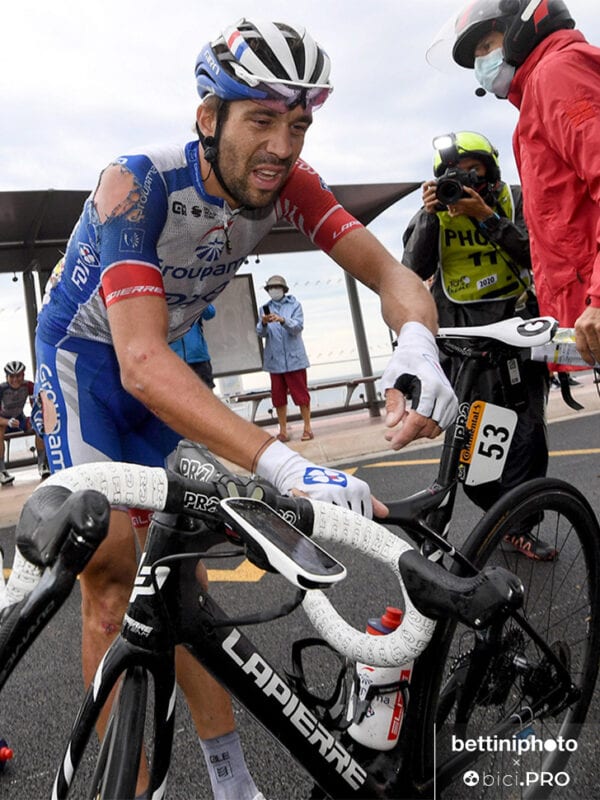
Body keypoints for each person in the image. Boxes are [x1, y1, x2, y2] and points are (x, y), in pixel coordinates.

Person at [34, 18, 458, 800]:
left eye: (298, 123)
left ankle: (231, 778)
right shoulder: (135, 181)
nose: (283, 145)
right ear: (209, 118)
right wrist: (287, 463)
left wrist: (417, 348)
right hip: (86, 368)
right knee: (111, 582)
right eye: (261, 118)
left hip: (154, 379)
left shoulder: (291, 183)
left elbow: (393, 275)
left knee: (182, 590)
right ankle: (134, 787)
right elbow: (138, 360)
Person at [402, 131, 554, 560]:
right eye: (455, 174)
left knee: (527, 440)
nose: (465, 180)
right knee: (476, 455)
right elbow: (413, 270)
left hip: (518, 337)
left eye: (475, 170)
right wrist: (432, 215)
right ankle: (500, 517)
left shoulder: (516, 200)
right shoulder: (433, 213)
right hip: (466, 347)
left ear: (492, 168)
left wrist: (487, 217)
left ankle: (520, 525)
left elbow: (537, 252)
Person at [435, 0, 600, 366]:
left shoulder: (556, 75)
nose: (480, 62)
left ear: (519, 29)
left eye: (485, 46)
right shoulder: (536, 97)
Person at [257, 275, 313, 442]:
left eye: (276, 287)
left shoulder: (295, 305)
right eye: (270, 288)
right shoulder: (264, 308)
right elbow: (260, 333)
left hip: (294, 359)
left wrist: (282, 320)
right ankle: (282, 431)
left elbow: (297, 327)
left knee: (301, 395)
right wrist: (264, 323)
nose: (273, 290)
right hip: (275, 361)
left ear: (283, 289)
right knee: (278, 397)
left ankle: (307, 427)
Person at [0, 361, 49, 485]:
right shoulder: (2, 389)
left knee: (39, 426)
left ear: (23, 375)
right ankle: (2, 471)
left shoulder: (28, 386)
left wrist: (37, 418)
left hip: (19, 419)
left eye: (19, 376)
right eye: (12, 376)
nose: (15, 379)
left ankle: (43, 464)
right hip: (3, 421)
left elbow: (37, 405)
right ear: (7, 377)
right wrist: (7, 422)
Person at [170, 303, 217, 389]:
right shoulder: (160, 297)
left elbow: (210, 313)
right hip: (173, 360)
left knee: (205, 396)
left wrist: (196, 297)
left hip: (198, 357)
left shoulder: (193, 293)